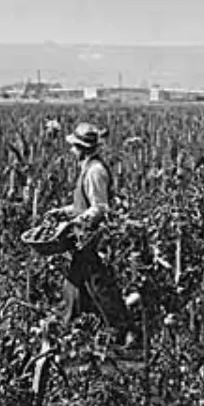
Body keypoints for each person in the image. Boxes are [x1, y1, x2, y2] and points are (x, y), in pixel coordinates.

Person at [43, 122, 136, 349]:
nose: (71, 150)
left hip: (93, 237)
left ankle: (122, 329)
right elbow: (82, 205)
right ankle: (75, 326)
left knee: (98, 284)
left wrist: (73, 223)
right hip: (82, 235)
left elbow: (99, 208)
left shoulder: (95, 172)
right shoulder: (87, 167)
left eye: (74, 146)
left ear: (82, 148)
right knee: (77, 283)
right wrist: (63, 212)